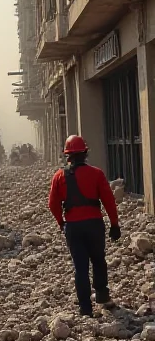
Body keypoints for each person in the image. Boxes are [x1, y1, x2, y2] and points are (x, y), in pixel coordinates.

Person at [47, 135, 121, 316]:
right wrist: (114, 224)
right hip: (94, 224)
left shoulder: (59, 176)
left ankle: (85, 308)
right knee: (98, 260)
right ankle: (102, 296)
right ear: (85, 153)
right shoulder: (97, 174)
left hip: (73, 226)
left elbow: (52, 204)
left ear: (67, 156)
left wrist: (61, 223)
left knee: (80, 267)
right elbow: (109, 201)